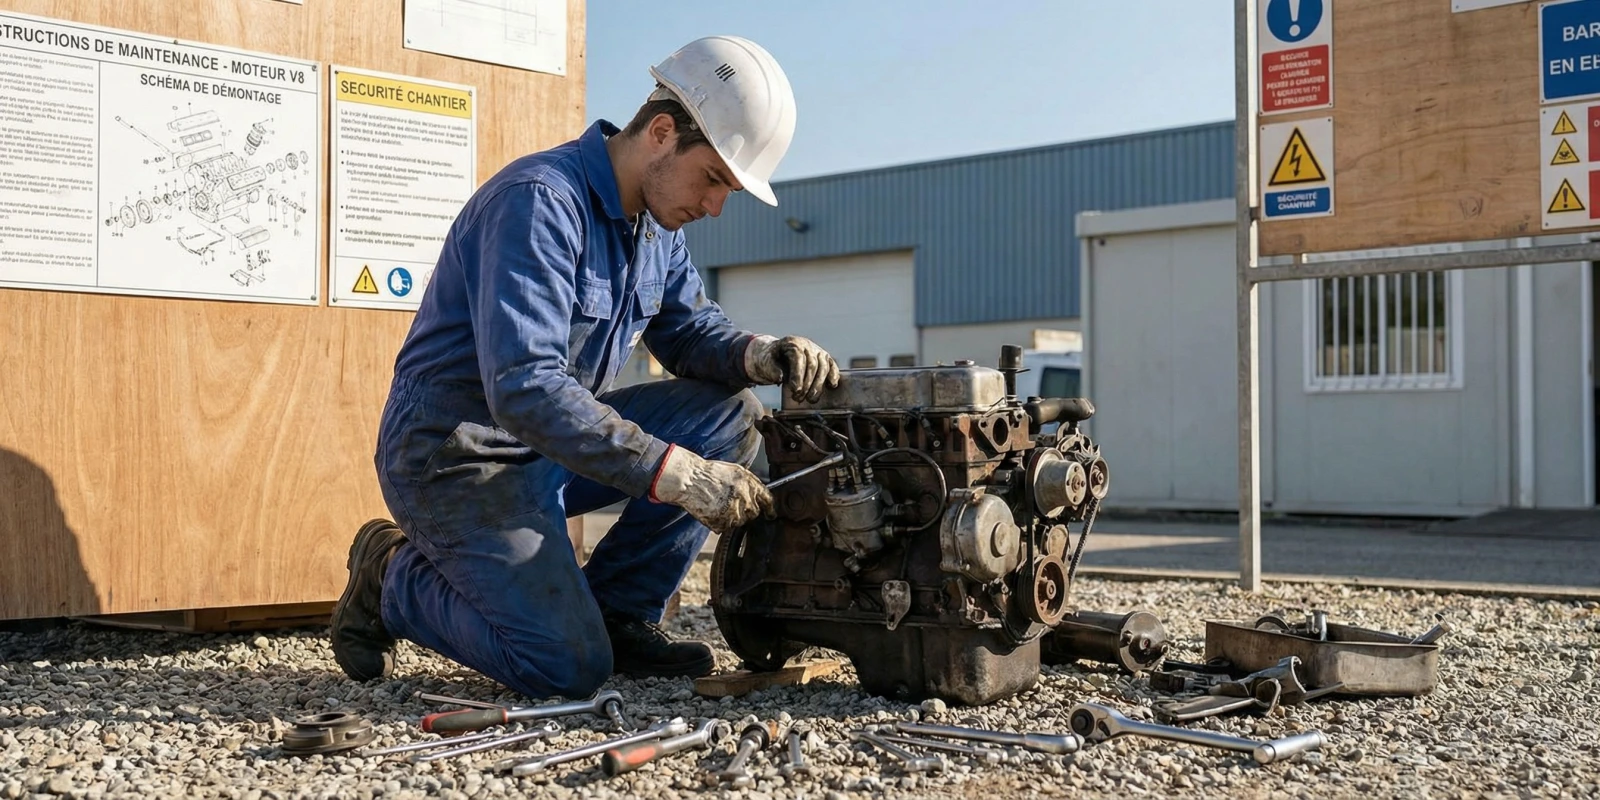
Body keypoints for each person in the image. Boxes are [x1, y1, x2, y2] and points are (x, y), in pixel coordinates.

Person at [328, 35, 840, 700]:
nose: (715, 206)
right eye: (714, 178)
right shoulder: (538, 203)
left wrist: (759, 354)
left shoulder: (655, 228)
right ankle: (391, 575)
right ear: (662, 133)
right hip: (459, 461)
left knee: (730, 417)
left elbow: (688, 332)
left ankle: (618, 614)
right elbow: (525, 386)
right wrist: (676, 474)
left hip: (549, 450)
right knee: (564, 667)